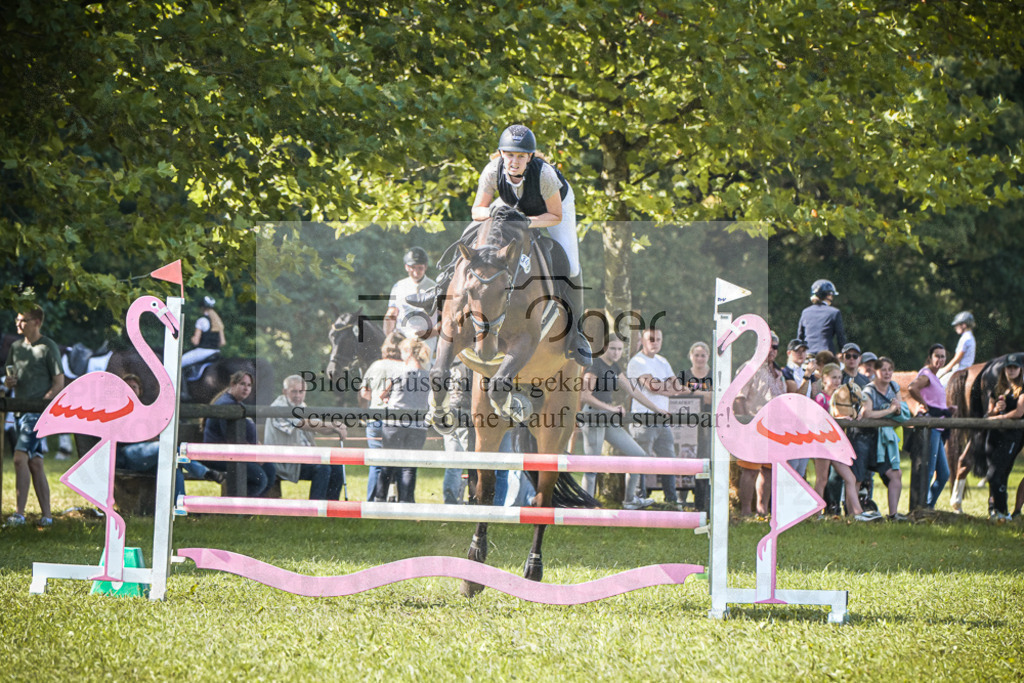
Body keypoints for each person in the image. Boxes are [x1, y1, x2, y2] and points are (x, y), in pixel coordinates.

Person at [580, 336, 669, 509]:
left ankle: (630, 500)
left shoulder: (614, 367)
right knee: (592, 466)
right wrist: (611, 408)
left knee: (639, 455)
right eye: (613, 348)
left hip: (607, 418)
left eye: (619, 350)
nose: (616, 353)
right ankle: (587, 506)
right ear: (605, 347)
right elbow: (585, 396)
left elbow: (634, 391)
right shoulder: (594, 365)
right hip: (592, 417)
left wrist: (657, 409)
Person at [115, 374, 225, 498]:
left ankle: (179, 505)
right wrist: (144, 437)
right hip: (128, 454)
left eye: (134, 387)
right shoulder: (116, 410)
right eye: (127, 386)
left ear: (140, 391)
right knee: (167, 449)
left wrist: (152, 438)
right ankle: (205, 472)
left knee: (174, 463)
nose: (131, 389)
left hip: (152, 453)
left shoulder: (144, 411)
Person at [4, 306, 63, 527]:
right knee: (35, 462)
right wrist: (9, 382)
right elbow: (10, 377)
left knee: (19, 458)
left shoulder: (48, 347)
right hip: (19, 412)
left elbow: (59, 383)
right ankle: (47, 517)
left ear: (37, 322)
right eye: (17, 320)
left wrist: (42, 406)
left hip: (36, 415)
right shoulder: (16, 347)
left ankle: (19, 514)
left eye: (23, 320)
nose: (18, 324)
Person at [628, 327, 686, 510]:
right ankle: (638, 499)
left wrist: (666, 388)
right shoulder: (637, 361)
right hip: (643, 419)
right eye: (651, 339)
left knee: (669, 461)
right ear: (642, 341)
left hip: (663, 420)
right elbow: (652, 386)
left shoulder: (663, 361)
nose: (655, 342)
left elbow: (678, 386)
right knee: (641, 461)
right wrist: (667, 388)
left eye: (658, 339)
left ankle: (671, 501)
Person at [813, 363, 879, 521]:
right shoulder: (821, 398)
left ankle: (856, 513)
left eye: (839, 377)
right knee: (822, 479)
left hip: (836, 445)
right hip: (823, 443)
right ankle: (815, 514)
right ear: (824, 379)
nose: (837, 381)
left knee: (850, 478)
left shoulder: (842, 397)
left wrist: (856, 416)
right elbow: (817, 420)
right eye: (833, 377)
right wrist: (839, 419)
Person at [264, 375, 347, 501]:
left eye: (301, 392)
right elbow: (304, 423)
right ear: (284, 391)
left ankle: (330, 508)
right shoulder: (279, 407)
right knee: (322, 468)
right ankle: (314, 509)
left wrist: (337, 429)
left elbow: (318, 425)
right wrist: (332, 425)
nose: (297, 395)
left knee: (337, 466)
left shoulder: (301, 406)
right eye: (294, 391)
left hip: (302, 457)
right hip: (284, 461)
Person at [732, 330, 784, 516]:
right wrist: (745, 425)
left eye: (775, 347)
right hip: (752, 424)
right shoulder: (748, 368)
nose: (771, 351)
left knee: (768, 471)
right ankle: (746, 511)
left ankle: (762, 511)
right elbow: (738, 398)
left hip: (774, 428)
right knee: (750, 470)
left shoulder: (779, 372)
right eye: (768, 346)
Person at [374, 337, 431, 503]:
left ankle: (380, 498)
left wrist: (389, 400)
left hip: (394, 424)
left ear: (408, 352)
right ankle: (407, 501)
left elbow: (382, 395)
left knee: (388, 463)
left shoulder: (398, 372)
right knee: (409, 466)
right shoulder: (429, 376)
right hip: (418, 426)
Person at [202, 371, 275, 497]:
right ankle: (234, 509)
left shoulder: (237, 404)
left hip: (237, 453)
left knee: (270, 470)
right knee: (260, 478)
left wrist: (257, 448)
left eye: (249, 385)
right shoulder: (226, 405)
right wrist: (254, 455)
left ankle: (249, 510)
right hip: (220, 455)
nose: (246, 388)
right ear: (233, 384)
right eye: (242, 384)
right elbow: (232, 438)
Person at [358, 333, 405, 499]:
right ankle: (399, 500)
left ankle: (372, 501)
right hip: (396, 420)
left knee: (377, 464)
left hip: (374, 419)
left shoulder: (376, 365)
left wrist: (377, 398)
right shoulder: (405, 367)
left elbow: (364, 393)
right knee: (399, 462)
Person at [907, 344, 954, 509]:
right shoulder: (926, 374)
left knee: (944, 474)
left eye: (943, 356)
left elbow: (935, 400)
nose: (940, 360)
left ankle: (928, 505)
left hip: (938, 428)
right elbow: (912, 387)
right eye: (937, 356)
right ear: (930, 357)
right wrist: (924, 405)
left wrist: (947, 410)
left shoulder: (935, 376)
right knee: (929, 469)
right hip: (930, 427)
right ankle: (920, 507)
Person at [860, 357, 906, 521]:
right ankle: (855, 513)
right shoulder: (869, 390)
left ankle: (893, 514)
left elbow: (901, 409)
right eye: (883, 369)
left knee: (896, 474)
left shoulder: (894, 387)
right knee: (857, 477)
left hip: (885, 441)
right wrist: (889, 411)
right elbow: (867, 413)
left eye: (889, 369)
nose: (887, 373)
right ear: (876, 372)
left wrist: (897, 409)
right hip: (866, 439)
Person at [980, 353, 1024, 521]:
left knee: (995, 474)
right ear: (1004, 369)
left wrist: (999, 417)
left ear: (1020, 369)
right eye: (1009, 367)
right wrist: (997, 409)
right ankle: (998, 512)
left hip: (1012, 435)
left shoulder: (1022, 388)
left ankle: (1002, 511)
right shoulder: (998, 388)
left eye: (1015, 367)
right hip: (994, 435)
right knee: (996, 474)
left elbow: (1020, 412)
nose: (1011, 370)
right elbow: (989, 412)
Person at [384, 247, 436, 354]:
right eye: (412, 267)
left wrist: (430, 333)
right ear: (406, 267)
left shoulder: (434, 288)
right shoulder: (398, 286)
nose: (416, 272)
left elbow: (444, 319)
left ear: (425, 267)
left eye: (420, 268)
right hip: (402, 339)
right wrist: (388, 338)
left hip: (426, 341)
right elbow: (391, 313)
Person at [441, 359, 475, 504]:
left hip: (448, 414)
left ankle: (450, 499)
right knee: (471, 461)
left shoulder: (447, 366)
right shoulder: (469, 366)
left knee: (453, 462)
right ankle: (473, 497)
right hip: (464, 414)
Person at [797, 279, 846, 355]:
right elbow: (840, 337)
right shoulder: (834, 312)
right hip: (826, 355)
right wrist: (843, 353)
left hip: (808, 354)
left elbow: (800, 337)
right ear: (828, 295)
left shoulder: (805, 312)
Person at [181, 295, 225, 370]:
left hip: (203, 351)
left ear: (202, 307)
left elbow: (196, 342)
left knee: (179, 362)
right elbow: (222, 342)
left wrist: (192, 339)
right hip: (216, 352)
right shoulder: (218, 321)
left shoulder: (202, 320)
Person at [937, 311, 977, 384]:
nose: (955, 327)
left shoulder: (965, 338)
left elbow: (957, 359)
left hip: (959, 371)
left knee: (937, 385)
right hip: (967, 370)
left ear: (964, 325)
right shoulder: (971, 337)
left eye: (957, 325)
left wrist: (944, 370)